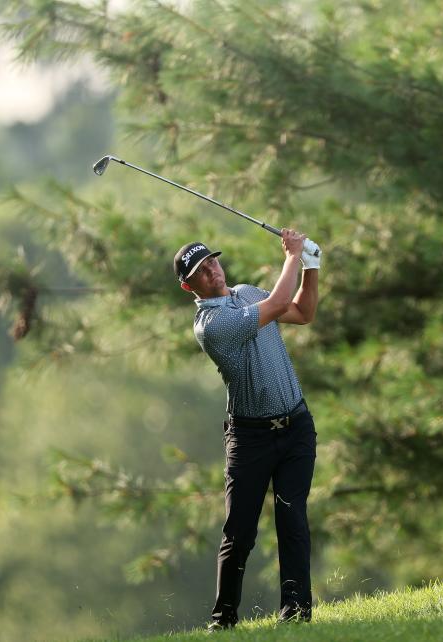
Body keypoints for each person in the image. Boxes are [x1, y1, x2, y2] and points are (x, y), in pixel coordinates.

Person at [173, 229, 321, 632]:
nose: (212, 272)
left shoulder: (248, 293)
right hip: (250, 438)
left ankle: (296, 613)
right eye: (201, 272)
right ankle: (223, 620)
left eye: (212, 262)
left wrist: (311, 267)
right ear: (189, 287)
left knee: (292, 519)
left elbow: (303, 313)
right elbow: (276, 304)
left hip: (295, 428)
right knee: (239, 532)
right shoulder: (211, 324)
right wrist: (292, 254)